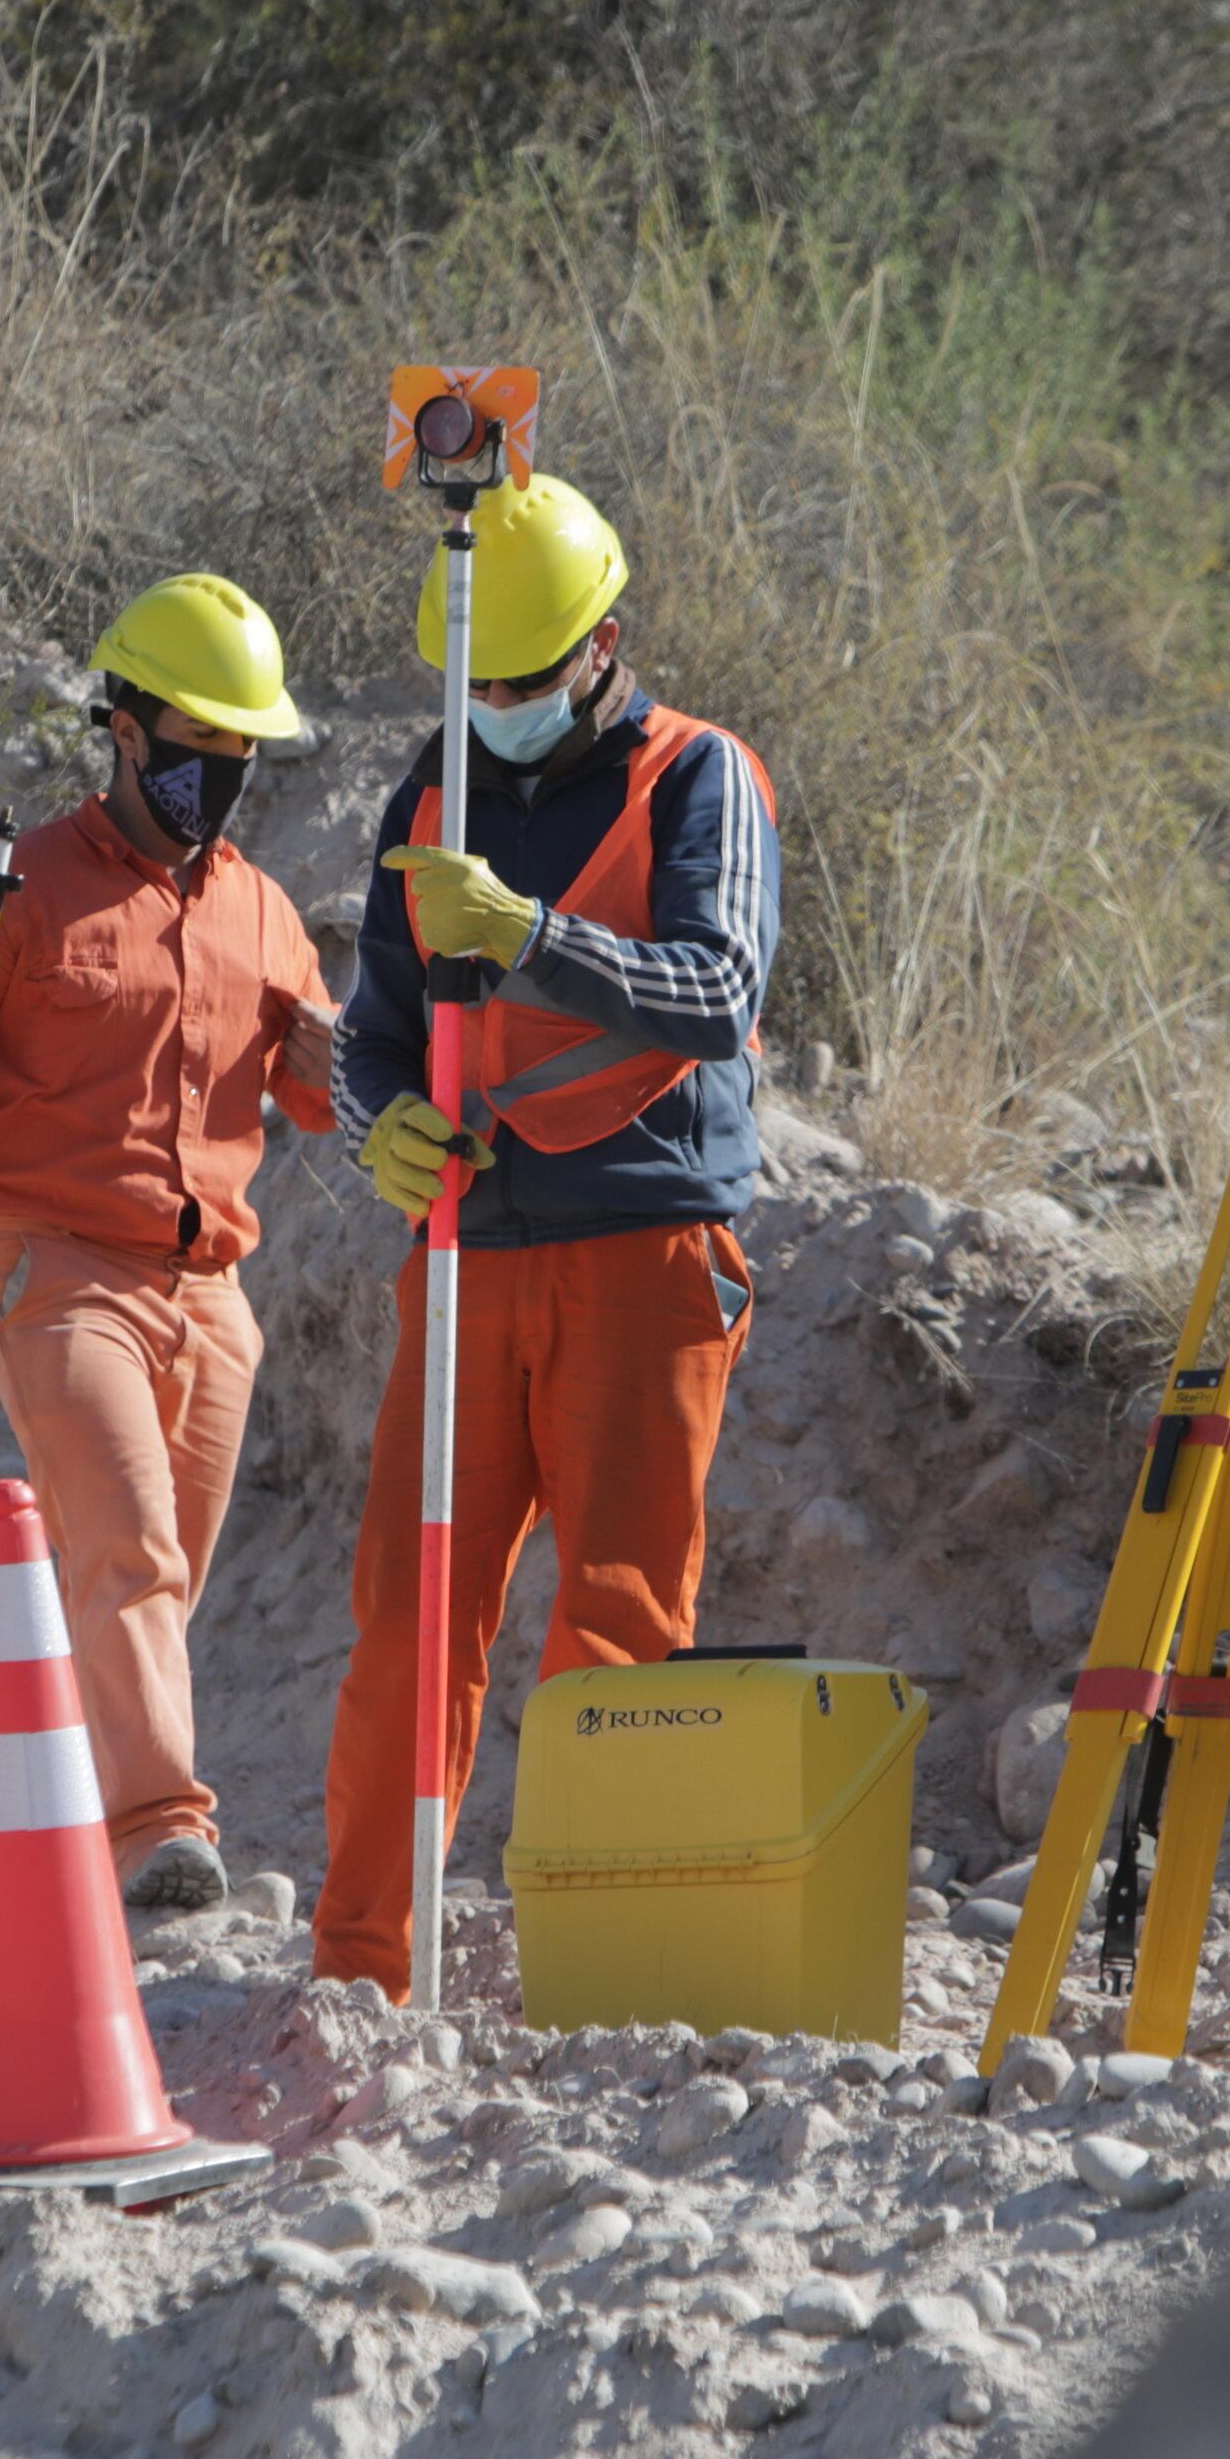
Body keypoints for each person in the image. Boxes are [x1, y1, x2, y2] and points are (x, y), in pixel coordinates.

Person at [313, 473, 783, 1999]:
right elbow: (373, 1034)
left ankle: (604, 1961)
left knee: (621, 1620)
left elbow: (720, 990)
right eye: (477, 681)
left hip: (647, 1253)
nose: (497, 704)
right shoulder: (429, 792)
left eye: (521, 678)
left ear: (604, 644)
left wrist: (523, 931)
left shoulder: (701, 778)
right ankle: (367, 1967)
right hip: (465, 1255)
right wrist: (379, 1121)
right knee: (411, 1622)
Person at [0, 573, 338, 1911]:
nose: (220, 774)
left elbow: (313, 1090)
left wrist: (333, 1064)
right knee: (126, 1552)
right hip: (51, 1268)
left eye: (243, 750)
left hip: (213, 1296)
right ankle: (164, 1836)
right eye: (197, 744)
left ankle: (60, 1836)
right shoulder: (15, 891)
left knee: (150, 1584)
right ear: (124, 729)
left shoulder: (264, 913)